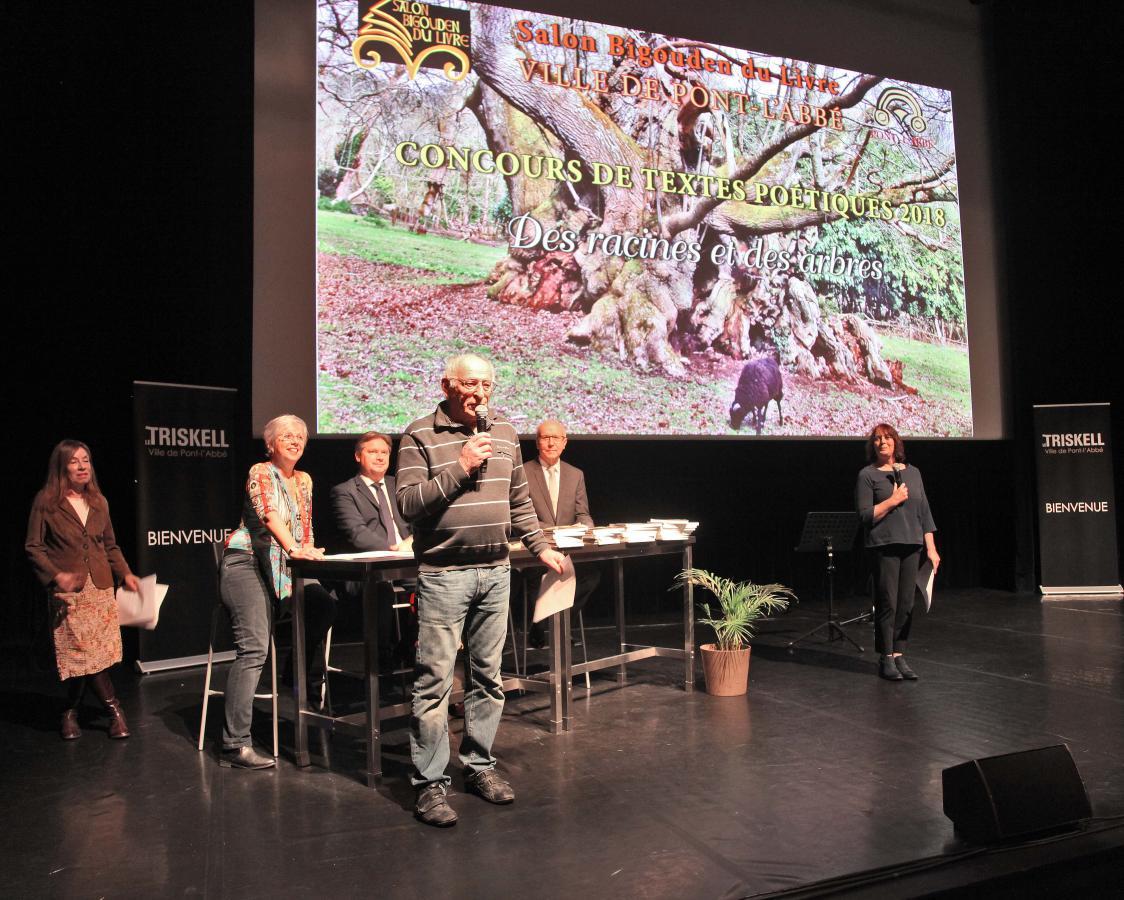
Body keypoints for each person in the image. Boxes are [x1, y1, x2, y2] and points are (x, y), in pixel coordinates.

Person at [396, 353, 565, 826]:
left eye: (487, 384)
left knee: (488, 679)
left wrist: (541, 547)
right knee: (433, 685)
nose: (480, 393)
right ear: (447, 384)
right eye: (471, 384)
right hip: (443, 574)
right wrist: (462, 465)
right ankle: (429, 786)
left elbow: (520, 502)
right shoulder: (417, 434)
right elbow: (409, 504)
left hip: (496, 571)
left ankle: (479, 766)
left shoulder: (506, 433)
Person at [217, 414, 334, 769]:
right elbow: (270, 516)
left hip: (287, 566)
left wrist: (308, 551)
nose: (295, 440)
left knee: (324, 605)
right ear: (270, 444)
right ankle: (234, 745)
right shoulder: (260, 472)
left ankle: (292, 670)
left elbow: (306, 526)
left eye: (300, 435)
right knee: (253, 647)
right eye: (286, 435)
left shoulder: (305, 480)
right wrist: (295, 549)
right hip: (247, 563)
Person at [26, 440, 140, 740]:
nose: (82, 466)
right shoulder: (46, 501)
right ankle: (115, 711)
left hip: (100, 588)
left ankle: (69, 711)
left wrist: (126, 574)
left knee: (93, 657)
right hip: (70, 593)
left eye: (86, 460)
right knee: (84, 653)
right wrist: (55, 576)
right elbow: (34, 547)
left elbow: (110, 545)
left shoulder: (99, 501)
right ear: (62, 467)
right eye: (75, 461)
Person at [855, 423, 940, 682]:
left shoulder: (913, 473)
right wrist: (892, 501)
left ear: (896, 442)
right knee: (887, 603)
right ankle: (886, 657)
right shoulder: (868, 475)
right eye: (878, 439)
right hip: (883, 546)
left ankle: (900, 652)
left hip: (912, 544)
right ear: (873, 445)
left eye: (888, 438)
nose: (883, 442)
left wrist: (932, 548)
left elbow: (924, 512)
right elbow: (865, 515)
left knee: (906, 603)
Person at [329, 431, 413, 668]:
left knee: (435, 582)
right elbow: (357, 534)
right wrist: (397, 549)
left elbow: (420, 519)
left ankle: (411, 647)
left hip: (408, 562)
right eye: (372, 452)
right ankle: (381, 660)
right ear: (358, 456)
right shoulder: (345, 491)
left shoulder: (400, 485)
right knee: (382, 589)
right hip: (367, 570)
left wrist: (416, 540)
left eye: (384, 452)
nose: (380, 457)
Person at [523, 419, 600, 648]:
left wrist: (585, 528)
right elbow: (518, 515)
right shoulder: (523, 472)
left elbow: (583, 514)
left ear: (564, 442)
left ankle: (557, 622)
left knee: (591, 576)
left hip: (568, 551)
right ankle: (542, 625)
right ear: (537, 442)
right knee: (537, 579)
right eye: (545, 438)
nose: (550, 442)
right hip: (537, 552)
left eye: (555, 438)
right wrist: (548, 532)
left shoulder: (575, 474)